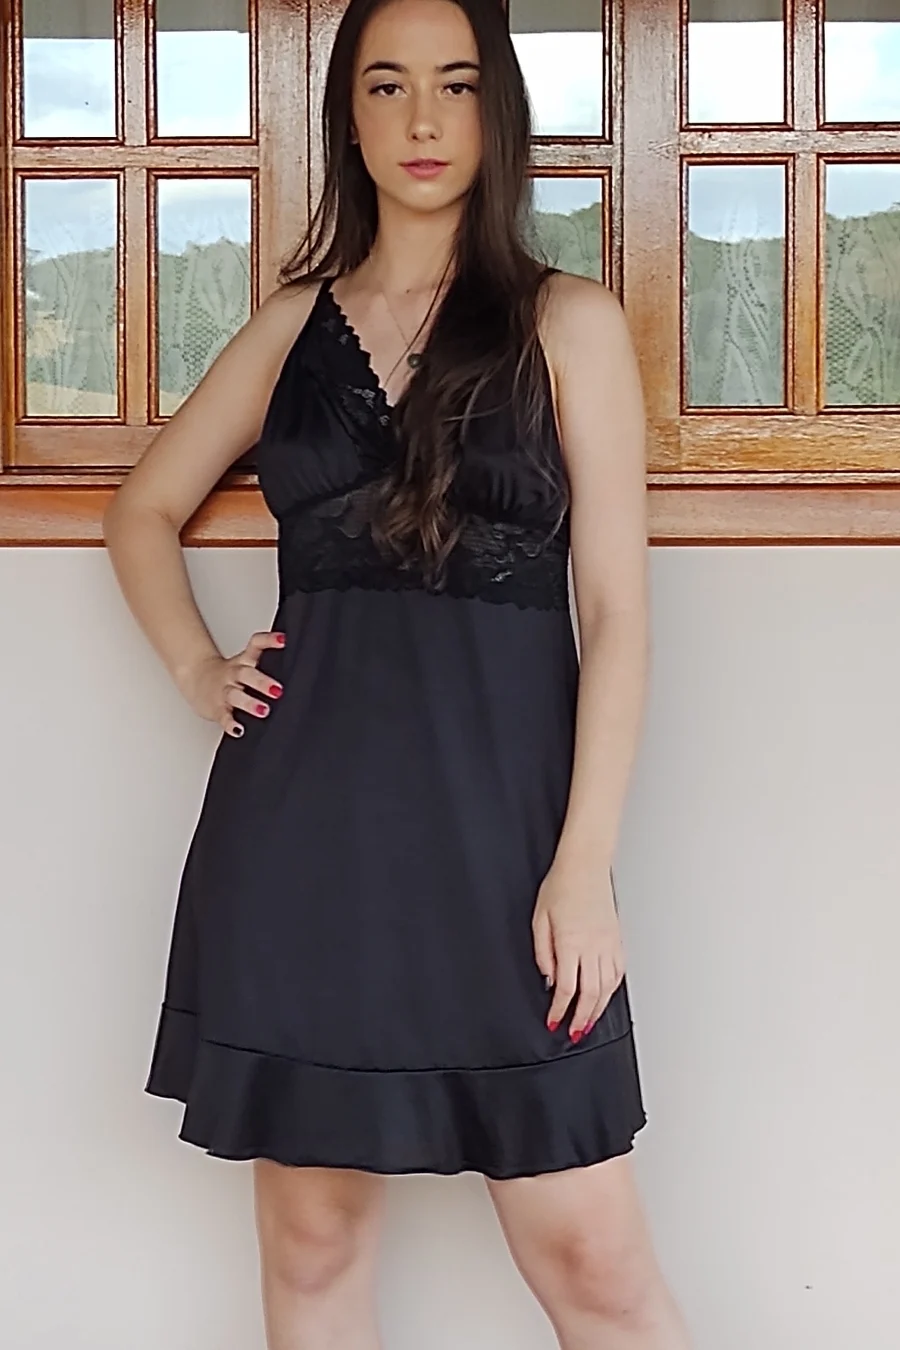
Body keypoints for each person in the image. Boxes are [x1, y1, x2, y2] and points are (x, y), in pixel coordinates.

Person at [104, 0, 692, 1345]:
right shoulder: (290, 331)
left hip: (508, 846)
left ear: (499, 112)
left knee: (594, 1262)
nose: (423, 119)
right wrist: (197, 666)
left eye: (456, 84)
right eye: (386, 86)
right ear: (348, 118)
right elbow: (142, 510)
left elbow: (617, 612)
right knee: (313, 1245)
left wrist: (583, 865)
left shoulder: (569, 323)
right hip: (301, 844)